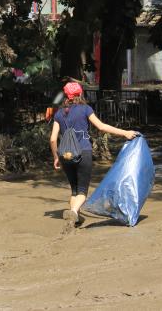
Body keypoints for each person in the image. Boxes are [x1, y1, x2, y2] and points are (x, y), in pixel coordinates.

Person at [49, 82, 138, 230]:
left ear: (66, 96)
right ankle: (73, 211)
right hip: (83, 152)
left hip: (65, 155)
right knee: (83, 191)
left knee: (74, 190)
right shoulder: (85, 109)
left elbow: (52, 139)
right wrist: (125, 133)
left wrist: (56, 157)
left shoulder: (59, 114)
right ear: (80, 94)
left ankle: (74, 220)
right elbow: (102, 127)